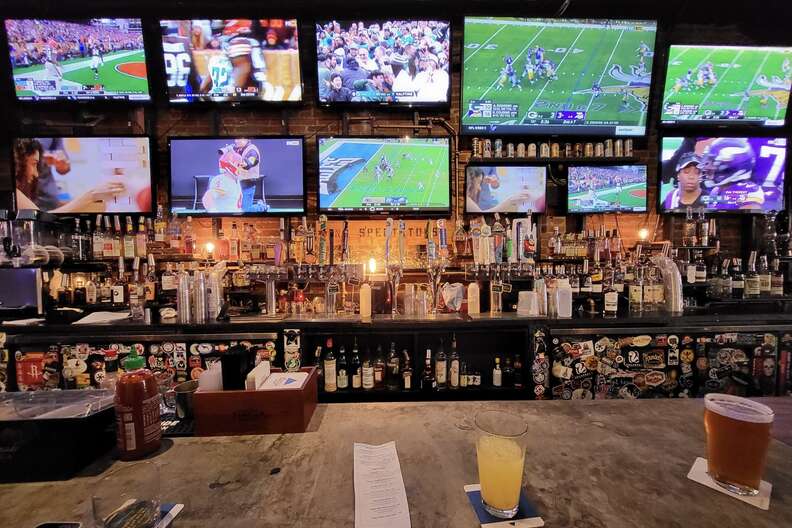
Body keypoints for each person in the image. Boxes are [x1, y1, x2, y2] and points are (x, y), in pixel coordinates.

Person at [14, 139, 126, 213]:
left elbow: (65, 165)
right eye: (34, 164)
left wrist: (62, 163)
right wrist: (92, 195)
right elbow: (38, 218)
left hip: (49, 201)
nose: (36, 174)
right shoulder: (15, 194)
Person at [466, 168, 537, 213]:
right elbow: (480, 214)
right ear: (470, 182)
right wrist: (509, 201)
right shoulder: (468, 201)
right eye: (479, 183)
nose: (480, 188)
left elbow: (496, 183)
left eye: (481, 183)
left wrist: (494, 182)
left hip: (486, 204)